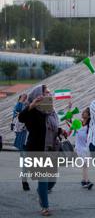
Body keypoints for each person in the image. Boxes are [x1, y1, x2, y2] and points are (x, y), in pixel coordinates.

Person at [19, 84, 67, 216]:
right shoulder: (32, 111)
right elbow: (21, 118)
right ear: (38, 95)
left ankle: (42, 191)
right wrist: (32, 105)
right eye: (46, 92)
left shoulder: (51, 110)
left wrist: (61, 131)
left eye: (49, 92)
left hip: (51, 149)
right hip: (37, 149)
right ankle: (45, 206)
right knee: (43, 178)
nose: (49, 95)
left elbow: (52, 128)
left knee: (52, 181)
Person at [13, 93, 30, 191]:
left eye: (26, 99)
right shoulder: (18, 109)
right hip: (23, 138)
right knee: (25, 162)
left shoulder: (29, 109)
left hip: (32, 138)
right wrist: (21, 101)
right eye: (23, 99)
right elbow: (17, 112)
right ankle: (24, 181)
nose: (25, 100)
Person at [75, 107, 93, 190]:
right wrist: (69, 108)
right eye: (83, 112)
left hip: (86, 147)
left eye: (85, 112)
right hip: (79, 147)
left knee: (85, 165)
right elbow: (68, 119)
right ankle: (86, 181)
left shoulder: (90, 125)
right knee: (85, 165)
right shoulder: (78, 123)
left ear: (89, 116)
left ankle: (84, 180)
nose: (83, 113)